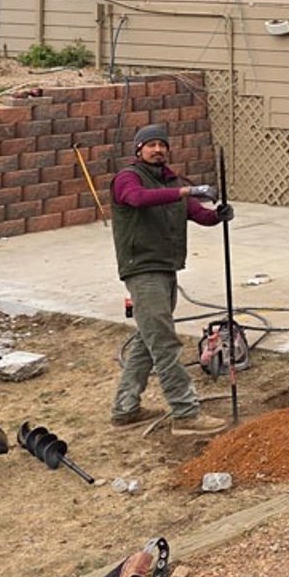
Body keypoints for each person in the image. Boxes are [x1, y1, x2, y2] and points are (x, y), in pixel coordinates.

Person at [109, 123, 232, 435]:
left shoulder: (170, 181)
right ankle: (185, 413)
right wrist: (186, 190)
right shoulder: (129, 177)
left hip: (166, 268)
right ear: (138, 150)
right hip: (142, 269)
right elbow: (136, 199)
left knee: (146, 340)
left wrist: (218, 214)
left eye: (162, 144)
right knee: (164, 343)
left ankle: (125, 410)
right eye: (150, 145)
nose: (157, 149)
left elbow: (198, 214)